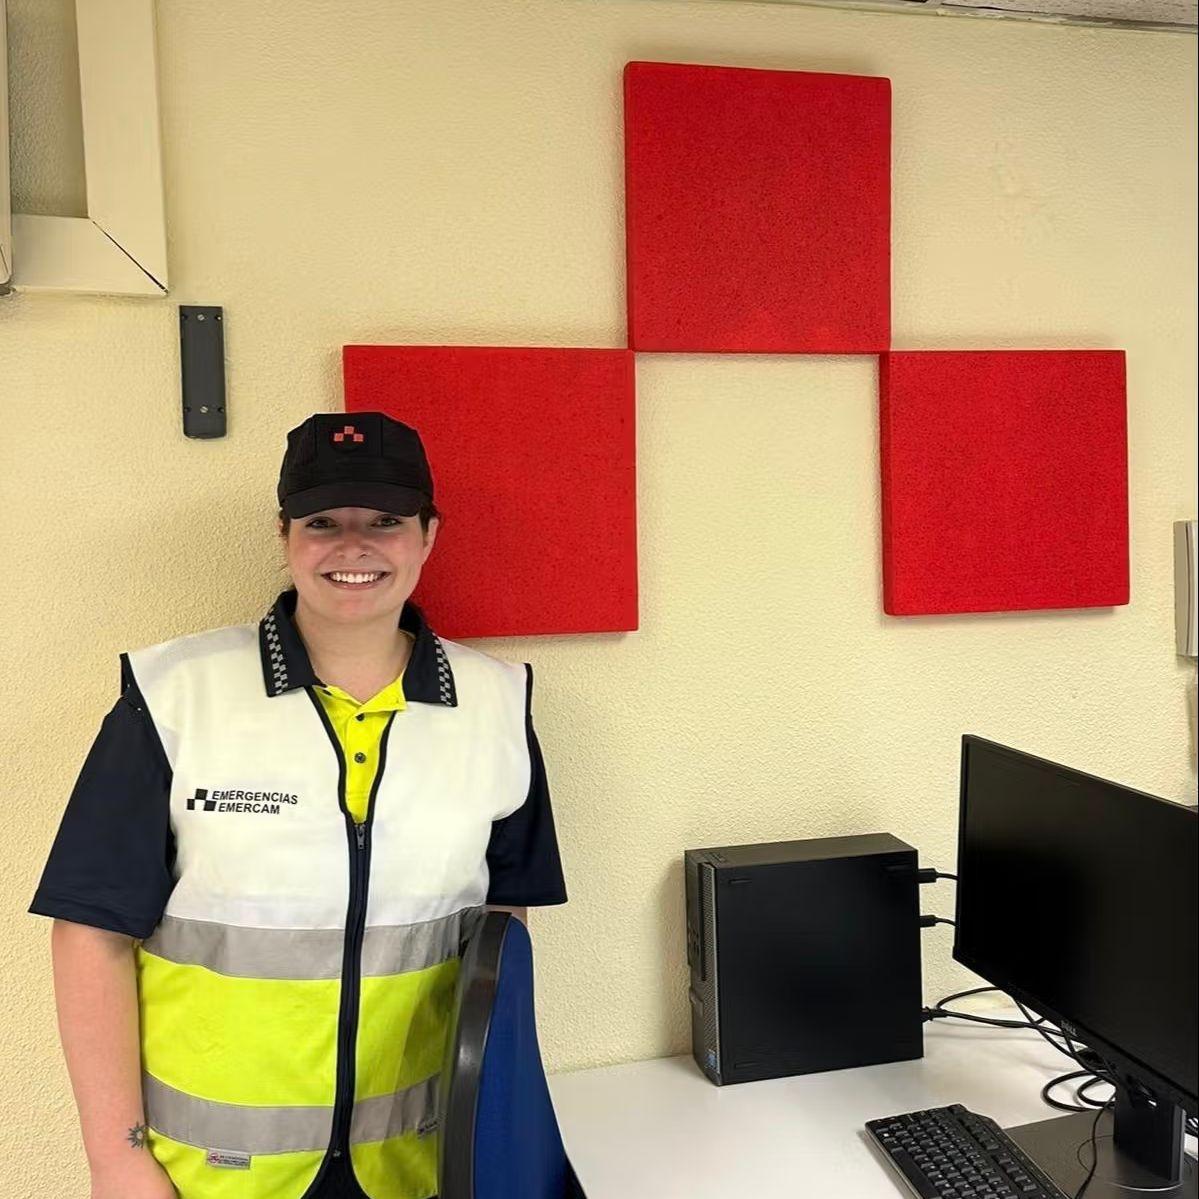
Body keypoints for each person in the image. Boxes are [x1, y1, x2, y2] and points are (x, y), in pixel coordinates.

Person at [29, 411, 569, 1199]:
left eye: (384, 522)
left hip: (418, 1168)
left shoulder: (497, 703)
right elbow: (90, 934)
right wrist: (117, 1160)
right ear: (284, 535)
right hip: (210, 1176)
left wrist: (496, 1145)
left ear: (428, 535)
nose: (353, 547)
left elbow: (500, 947)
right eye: (323, 523)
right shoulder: (175, 696)